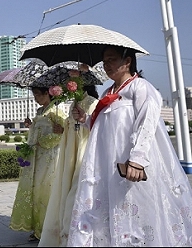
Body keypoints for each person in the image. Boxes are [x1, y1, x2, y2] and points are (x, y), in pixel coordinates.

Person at [67, 45, 192, 246]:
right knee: (111, 213)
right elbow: (106, 127)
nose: (107, 65)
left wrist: (137, 161)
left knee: (138, 213)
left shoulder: (140, 87)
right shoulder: (108, 92)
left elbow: (147, 124)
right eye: (104, 61)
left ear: (127, 62)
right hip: (109, 166)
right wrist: (86, 119)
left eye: (112, 60)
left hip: (130, 166)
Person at [38, 85, 99, 247]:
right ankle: (66, 236)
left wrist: (83, 120)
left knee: (77, 193)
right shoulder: (74, 103)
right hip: (70, 155)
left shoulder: (93, 103)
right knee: (67, 192)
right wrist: (64, 128)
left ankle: (76, 236)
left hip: (84, 154)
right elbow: (70, 127)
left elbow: (98, 129)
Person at [9, 86, 67, 242]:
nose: (35, 98)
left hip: (49, 156)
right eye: (34, 95)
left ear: (47, 93)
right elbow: (39, 131)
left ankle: (48, 230)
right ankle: (37, 229)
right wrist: (31, 125)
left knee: (45, 189)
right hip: (36, 156)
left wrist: (45, 140)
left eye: (37, 95)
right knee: (35, 190)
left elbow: (62, 133)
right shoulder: (40, 111)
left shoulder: (56, 110)